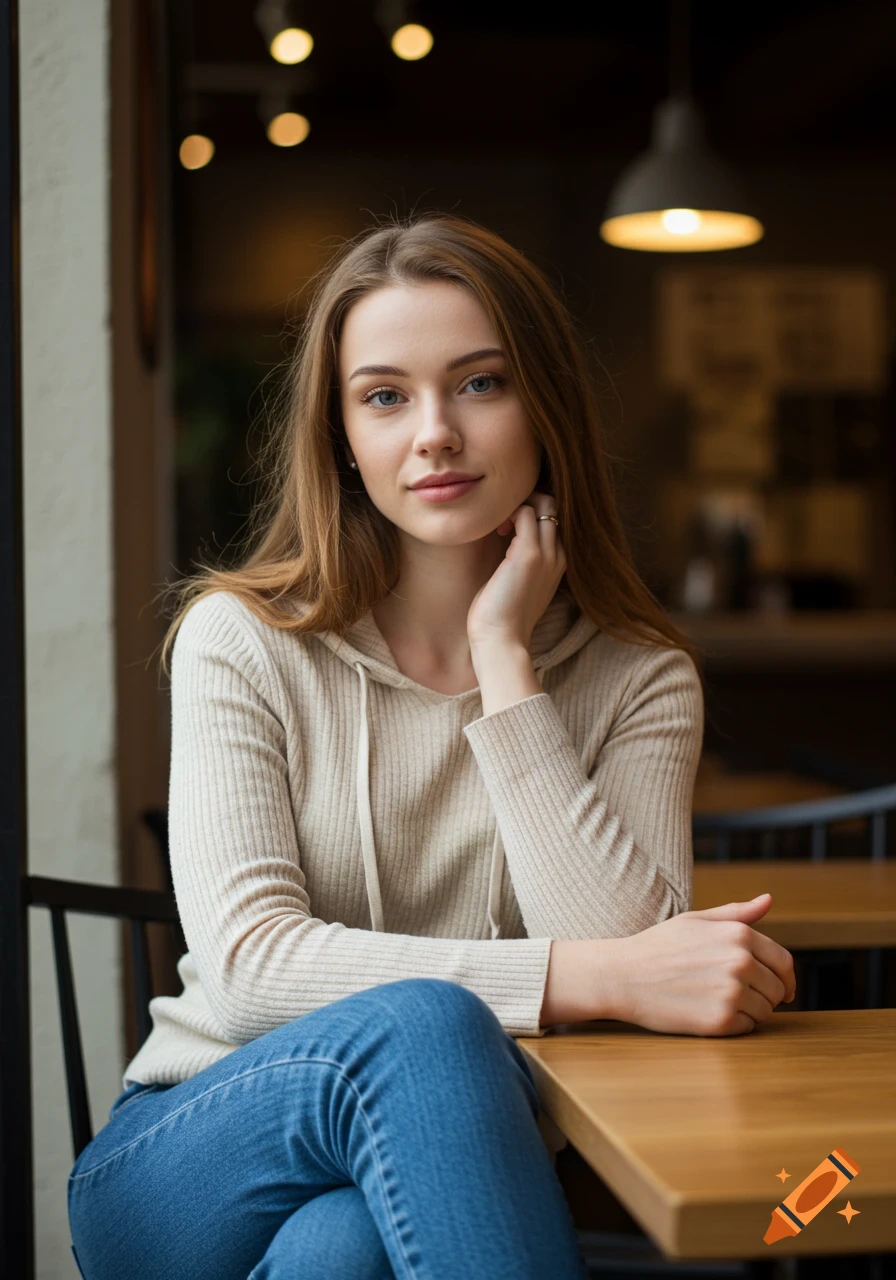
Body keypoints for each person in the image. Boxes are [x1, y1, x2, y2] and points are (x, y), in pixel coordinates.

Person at [67, 211, 796, 1280]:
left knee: (342, 1251)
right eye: (383, 396)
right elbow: (250, 968)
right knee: (426, 1025)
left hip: (420, 1182)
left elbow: (644, 987)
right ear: (341, 435)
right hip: (190, 1155)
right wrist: (596, 976)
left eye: (478, 383)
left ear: (542, 404)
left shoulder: (637, 675)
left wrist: (506, 664)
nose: (433, 434)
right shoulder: (244, 641)